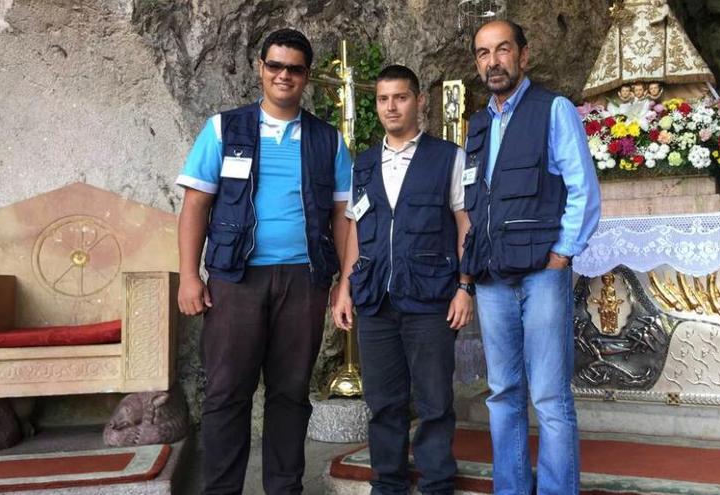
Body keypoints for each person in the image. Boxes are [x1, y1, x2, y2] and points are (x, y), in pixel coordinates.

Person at [175, 28, 351, 495]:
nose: (283, 75)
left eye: (294, 68)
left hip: (303, 281)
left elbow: (343, 216)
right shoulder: (223, 128)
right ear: (260, 68)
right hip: (236, 280)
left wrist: (343, 282)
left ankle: (283, 488)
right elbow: (195, 204)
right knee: (226, 393)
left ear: (307, 76)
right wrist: (190, 276)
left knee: (290, 395)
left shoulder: (327, 140)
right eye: (275, 65)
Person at [463, 19, 602, 494]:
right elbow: (474, 198)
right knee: (503, 394)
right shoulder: (478, 125)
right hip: (491, 275)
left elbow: (583, 189)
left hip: (542, 273)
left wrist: (562, 254)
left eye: (502, 50)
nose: (493, 61)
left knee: (548, 396)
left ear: (523, 55)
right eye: (483, 53)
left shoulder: (553, 109)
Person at [333, 64, 474, 495]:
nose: (390, 107)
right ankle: (388, 484)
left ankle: (436, 484)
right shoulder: (364, 164)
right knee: (383, 403)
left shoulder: (448, 157)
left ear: (418, 101)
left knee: (434, 402)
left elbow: (465, 224)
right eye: (382, 99)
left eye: (400, 97)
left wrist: (465, 287)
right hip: (376, 298)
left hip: (432, 295)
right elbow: (357, 227)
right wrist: (345, 288)